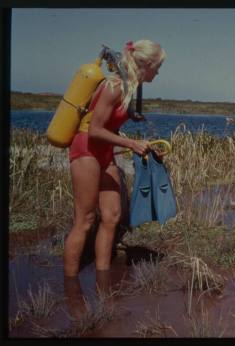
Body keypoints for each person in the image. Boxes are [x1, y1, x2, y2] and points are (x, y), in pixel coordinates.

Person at [63, 39, 166, 277]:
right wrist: (131, 143)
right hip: (86, 149)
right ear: (147, 64)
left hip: (104, 152)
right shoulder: (114, 86)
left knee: (112, 216)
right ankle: (70, 288)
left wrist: (144, 148)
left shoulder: (130, 87)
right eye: (157, 67)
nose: (158, 72)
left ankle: (103, 280)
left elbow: (110, 128)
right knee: (85, 220)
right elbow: (95, 129)